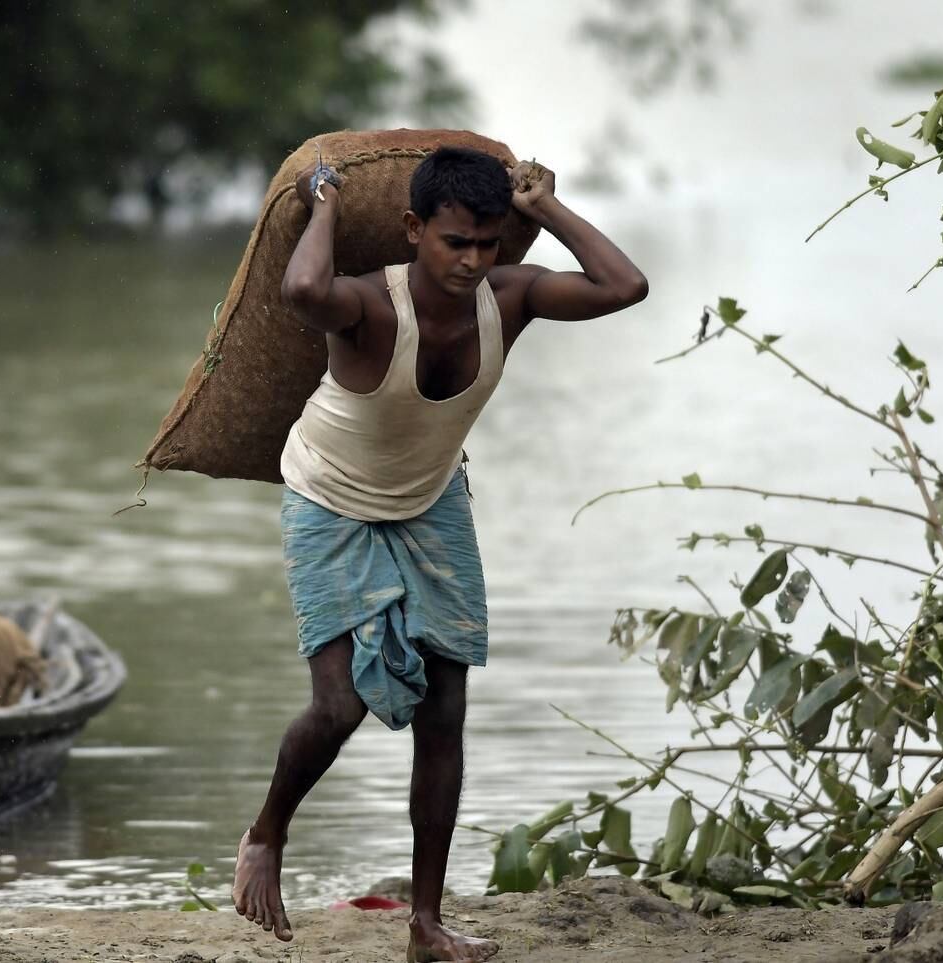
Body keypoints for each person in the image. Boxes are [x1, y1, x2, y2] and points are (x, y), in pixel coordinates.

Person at [231, 147, 648, 962]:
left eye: (488, 244)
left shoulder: (511, 299)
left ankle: (425, 923)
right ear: (415, 230)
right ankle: (266, 833)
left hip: (430, 503)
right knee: (338, 707)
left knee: (446, 713)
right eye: (455, 241)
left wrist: (547, 209)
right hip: (329, 499)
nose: (471, 262)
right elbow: (303, 290)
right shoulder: (372, 306)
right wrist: (324, 207)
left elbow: (625, 286)